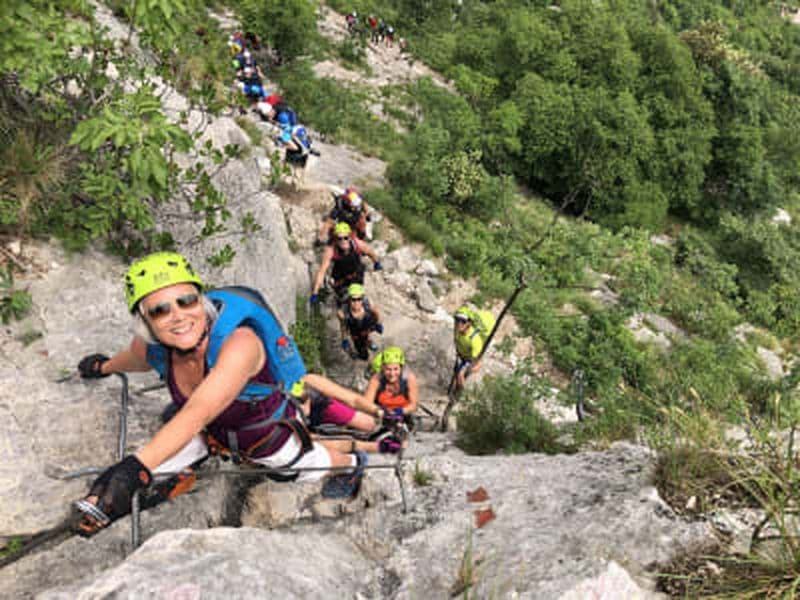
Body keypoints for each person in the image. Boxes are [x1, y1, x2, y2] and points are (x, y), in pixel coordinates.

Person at [73, 252, 368, 536]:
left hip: (264, 436)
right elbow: (136, 359)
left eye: (186, 301)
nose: (177, 316)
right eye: (160, 310)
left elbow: (198, 411)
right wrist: (104, 367)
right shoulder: (153, 347)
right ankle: (103, 507)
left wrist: (131, 471)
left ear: (201, 302)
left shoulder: (241, 343)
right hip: (211, 431)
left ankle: (353, 464)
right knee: (152, 463)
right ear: (145, 321)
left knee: (297, 466)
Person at [290, 376, 403, 454]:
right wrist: (376, 447)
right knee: (318, 443)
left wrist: (380, 412)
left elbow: (353, 399)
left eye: (304, 401)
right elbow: (316, 441)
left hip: (321, 406)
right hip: (301, 426)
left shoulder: (310, 381)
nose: (304, 409)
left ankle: (362, 433)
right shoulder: (285, 417)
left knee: (368, 423)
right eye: (300, 408)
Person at [310, 222, 382, 307]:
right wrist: (315, 292)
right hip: (340, 279)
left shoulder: (357, 244)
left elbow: (370, 252)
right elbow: (322, 271)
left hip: (356, 274)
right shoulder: (331, 250)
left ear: (350, 237)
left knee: (356, 296)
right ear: (335, 239)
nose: (343, 241)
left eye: (345, 238)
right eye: (339, 238)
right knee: (343, 299)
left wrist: (376, 262)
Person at [364, 347, 418, 428]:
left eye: (396, 369)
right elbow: (366, 404)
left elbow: (413, 405)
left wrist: (400, 411)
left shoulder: (409, 378)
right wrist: (379, 411)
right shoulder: (376, 379)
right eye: (388, 369)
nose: (392, 374)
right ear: (383, 368)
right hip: (380, 415)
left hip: (402, 414)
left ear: (401, 368)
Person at [337, 283, 383, 360]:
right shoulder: (342, 313)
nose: (356, 303)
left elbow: (376, 313)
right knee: (361, 349)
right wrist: (344, 339)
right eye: (353, 300)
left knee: (366, 334)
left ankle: (368, 341)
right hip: (355, 329)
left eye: (359, 299)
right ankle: (362, 354)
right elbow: (343, 326)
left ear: (362, 298)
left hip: (367, 323)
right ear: (349, 300)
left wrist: (379, 324)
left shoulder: (369, 304)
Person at [452, 305, 483, 392]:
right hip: (462, 355)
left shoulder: (475, 339)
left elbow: (475, 360)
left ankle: (462, 394)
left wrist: (465, 370)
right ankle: (455, 391)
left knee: (461, 374)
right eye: (457, 320)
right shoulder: (457, 330)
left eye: (463, 321)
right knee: (456, 371)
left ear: (469, 323)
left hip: (471, 358)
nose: (459, 323)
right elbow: (456, 341)